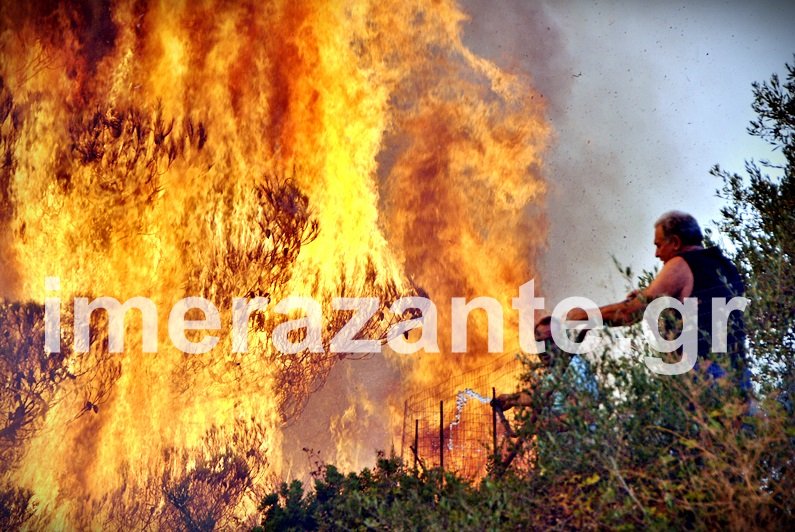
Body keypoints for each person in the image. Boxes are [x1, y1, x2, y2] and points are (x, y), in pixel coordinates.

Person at [548, 210, 749, 395]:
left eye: (659, 244)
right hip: (737, 373)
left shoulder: (680, 264)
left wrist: (583, 315)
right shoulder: (724, 265)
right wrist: (651, 295)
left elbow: (630, 313)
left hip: (704, 373)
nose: (657, 254)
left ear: (676, 242)